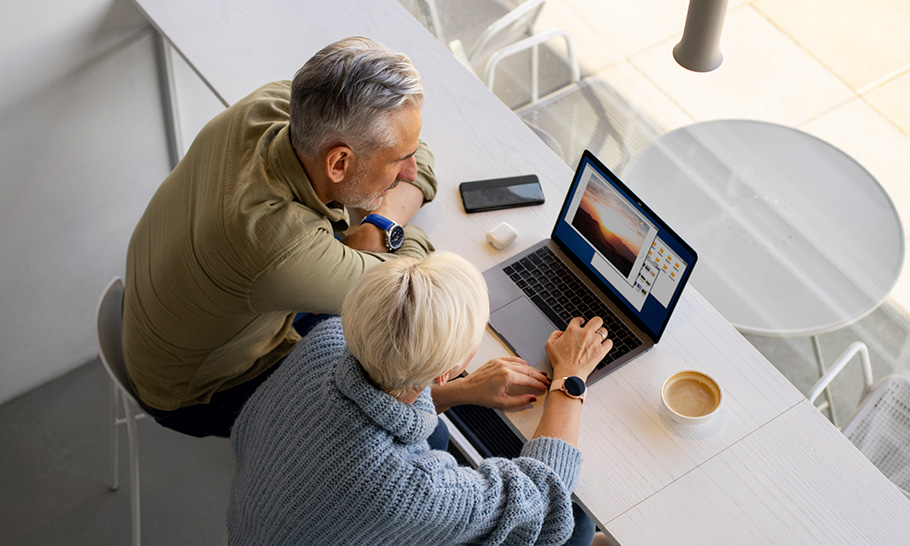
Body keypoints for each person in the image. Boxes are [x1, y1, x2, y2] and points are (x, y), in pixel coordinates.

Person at [121, 36, 442, 438]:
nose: (410, 171)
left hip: (157, 319)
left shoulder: (273, 105)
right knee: (420, 425)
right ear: (339, 162)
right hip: (197, 390)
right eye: (399, 161)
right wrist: (383, 225)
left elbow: (421, 153)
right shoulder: (276, 246)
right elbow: (410, 286)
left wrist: (379, 220)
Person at [228, 251, 614, 545]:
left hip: (264, 521)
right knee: (575, 525)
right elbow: (541, 499)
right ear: (445, 369)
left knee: (437, 437)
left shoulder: (328, 339)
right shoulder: (410, 486)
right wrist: (570, 377)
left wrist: (461, 391)